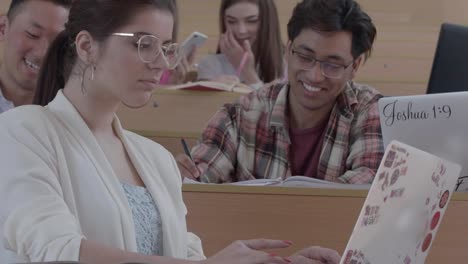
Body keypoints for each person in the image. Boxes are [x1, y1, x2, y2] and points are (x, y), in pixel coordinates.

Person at [0, 0, 341, 263]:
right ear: (87, 46)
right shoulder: (22, 131)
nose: (162, 63)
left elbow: (184, 258)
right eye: (143, 44)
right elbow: (58, 250)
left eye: (166, 47)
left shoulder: (155, 158)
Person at [177, 0, 384, 184]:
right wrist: (182, 174)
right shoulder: (239, 115)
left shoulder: (370, 112)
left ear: (355, 66)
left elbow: (368, 185)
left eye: (332, 64)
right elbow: (201, 177)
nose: (314, 75)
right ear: (289, 50)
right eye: (304, 56)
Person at [0, 0, 70, 113]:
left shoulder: (69, 115)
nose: (42, 53)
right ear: (2, 28)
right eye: (33, 34)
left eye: (57, 43)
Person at [197, 0, 285, 89]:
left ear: (267, 21)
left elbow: (270, 103)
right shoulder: (211, 64)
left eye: (251, 21)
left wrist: (249, 74)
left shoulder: (287, 63)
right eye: (231, 21)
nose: (241, 31)